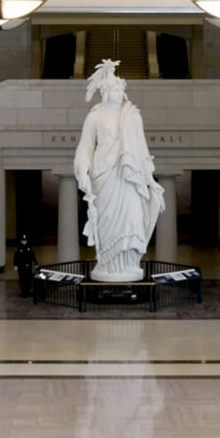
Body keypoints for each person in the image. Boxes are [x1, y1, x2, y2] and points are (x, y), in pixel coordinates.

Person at [74, 59, 165, 282]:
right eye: (113, 88)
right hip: (104, 174)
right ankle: (107, 264)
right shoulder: (94, 115)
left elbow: (142, 149)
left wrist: (150, 180)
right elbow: (85, 146)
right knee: (106, 221)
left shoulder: (132, 114)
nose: (117, 91)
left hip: (128, 173)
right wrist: (82, 170)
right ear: (104, 91)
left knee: (131, 217)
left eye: (119, 87)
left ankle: (128, 264)